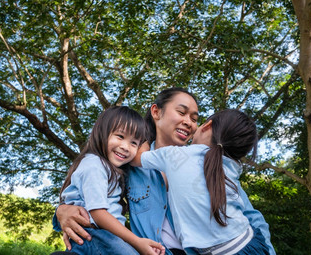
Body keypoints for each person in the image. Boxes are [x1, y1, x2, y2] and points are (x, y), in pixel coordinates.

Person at [54, 88, 275, 255]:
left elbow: (252, 218)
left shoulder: (210, 165)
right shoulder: (128, 163)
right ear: (156, 112)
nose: (188, 122)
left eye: (195, 119)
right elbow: (93, 191)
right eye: (182, 112)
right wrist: (62, 211)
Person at [131, 109, 270, 254]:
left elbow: (136, 158)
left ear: (207, 126)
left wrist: (148, 136)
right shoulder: (230, 166)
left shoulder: (175, 155)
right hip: (251, 242)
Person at [57, 106, 165, 255]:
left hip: (104, 237)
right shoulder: (94, 165)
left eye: (134, 143)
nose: (125, 147)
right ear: (102, 133)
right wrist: (137, 242)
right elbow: (98, 213)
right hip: (97, 236)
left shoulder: (114, 170)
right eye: (120, 136)